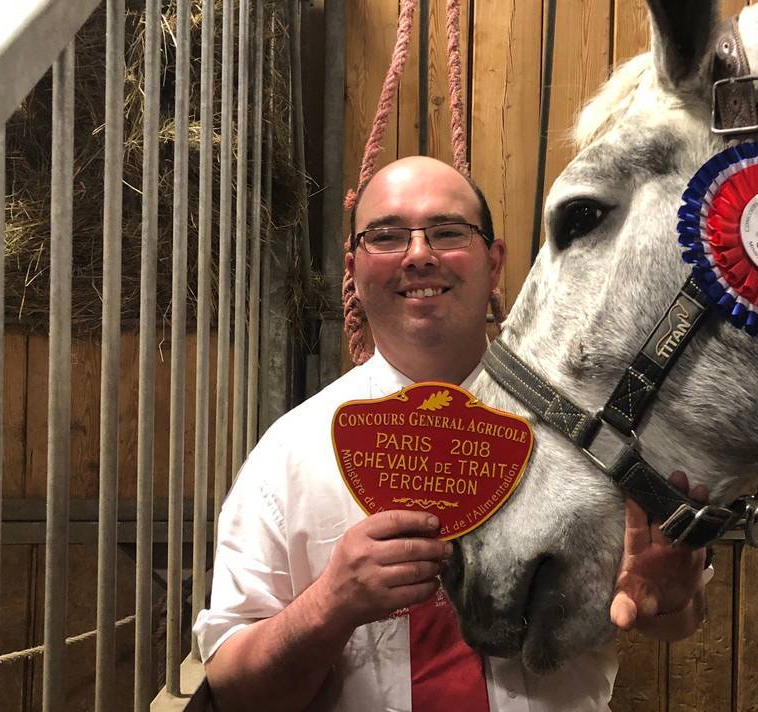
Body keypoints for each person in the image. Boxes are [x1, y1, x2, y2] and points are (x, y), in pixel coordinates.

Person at [194, 156, 710, 711]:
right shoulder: (288, 456)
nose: (419, 255)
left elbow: (670, 613)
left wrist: (675, 599)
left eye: (447, 232)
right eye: (386, 236)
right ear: (353, 269)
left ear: (495, 262)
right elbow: (235, 689)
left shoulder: (592, 439)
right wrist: (329, 606)